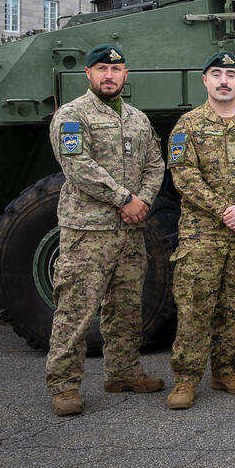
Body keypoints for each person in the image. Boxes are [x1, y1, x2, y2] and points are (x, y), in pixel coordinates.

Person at [45, 43, 166, 416]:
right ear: (88, 74)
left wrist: (142, 200)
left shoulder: (137, 119)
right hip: (88, 231)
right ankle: (64, 385)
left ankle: (123, 371)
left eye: (116, 70)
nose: (109, 76)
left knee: (127, 306)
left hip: (130, 230)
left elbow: (155, 164)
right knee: (77, 309)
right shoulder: (72, 115)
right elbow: (77, 166)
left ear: (126, 74)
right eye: (101, 69)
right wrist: (124, 199)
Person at [165, 51, 235, 410]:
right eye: (217, 74)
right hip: (202, 234)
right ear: (205, 81)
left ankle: (225, 370)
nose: (224, 80)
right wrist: (224, 210)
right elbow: (184, 176)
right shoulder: (188, 125)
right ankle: (185, 378)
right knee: (196, 307)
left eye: (231, 74)